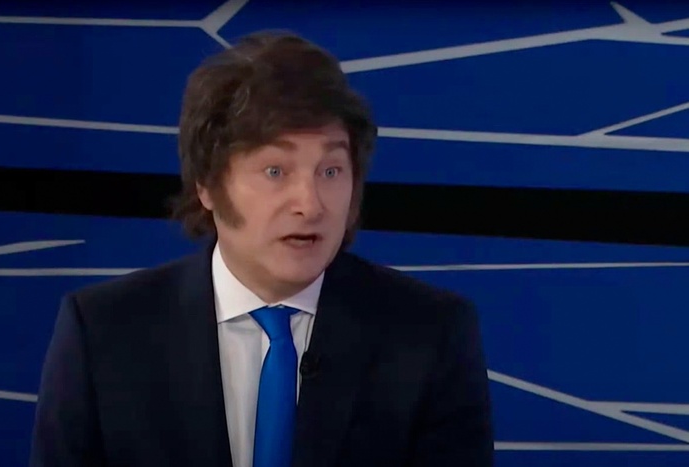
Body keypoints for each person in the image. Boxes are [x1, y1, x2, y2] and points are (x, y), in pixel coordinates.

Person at [30, 30, 493, 467]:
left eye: (330, 171)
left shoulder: (430, 335)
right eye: (275, 171)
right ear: (207, 184)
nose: (310, 204)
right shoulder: (104, 334)